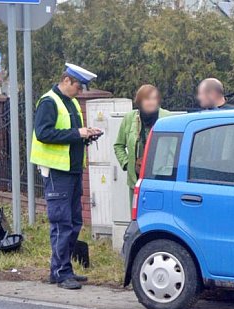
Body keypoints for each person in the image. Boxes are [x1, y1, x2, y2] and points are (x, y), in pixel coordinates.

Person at [31, 63, 101, 290]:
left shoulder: (69, 102)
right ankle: (61, 272)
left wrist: (86, 135)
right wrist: (76, 133)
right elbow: (43, 133)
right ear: (67, 80)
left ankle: (61, 268)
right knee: (62, 223)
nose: (80, 91)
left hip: (71, 170)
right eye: (78, 86)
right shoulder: (49, 101)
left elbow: (68, 135)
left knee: (74, 221)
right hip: (57, 172)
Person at [114, 84, 171, 201]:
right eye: (147, 99)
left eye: (154, 99)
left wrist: (169, 168)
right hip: (136, 180)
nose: (151, 102)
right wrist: (127, 164)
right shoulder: (129, 118)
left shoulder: (167, 118)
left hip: (161, 179)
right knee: (136, 216)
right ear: (139, 101)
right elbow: (118, 145)